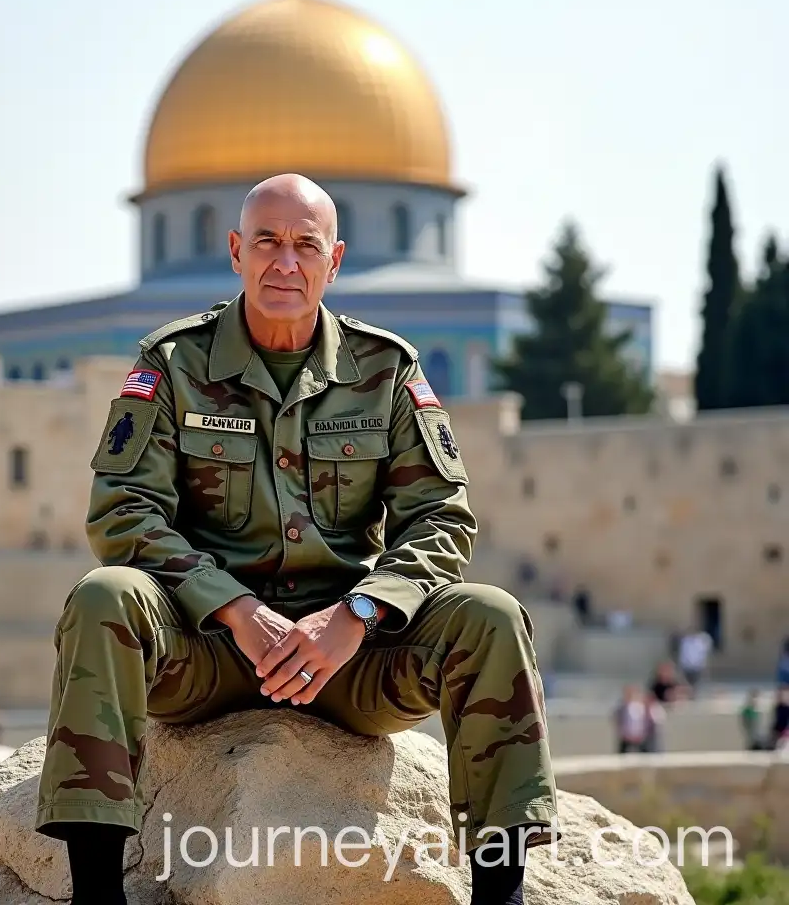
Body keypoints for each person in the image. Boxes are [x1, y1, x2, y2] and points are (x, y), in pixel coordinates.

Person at [35, 174, 558, 905]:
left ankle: (501, 893)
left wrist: (358, 616)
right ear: (234, 252)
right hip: (207, 652)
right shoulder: (173, 363)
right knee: (103, 597)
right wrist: (235, 611)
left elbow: (441, 516)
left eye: (305, 245)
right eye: (267, 243)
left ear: (335, 260)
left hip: (347, 662)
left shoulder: (385, 369)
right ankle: (98, 891)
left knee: (492, 616)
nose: (286, 263)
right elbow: (122, 508)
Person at [614, 685, 650, 753]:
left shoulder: (641, 707)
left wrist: (642, 734)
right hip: (626, 737)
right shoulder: (621, 707)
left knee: (645, 755)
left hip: (640, 737)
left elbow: (644, 722)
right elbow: (618, 721)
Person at [678, 628, 713, 695]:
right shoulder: (686, 641)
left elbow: (702, 654)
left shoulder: (699, 642)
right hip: (687, 665)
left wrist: (702, 664)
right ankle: (690, 693)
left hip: (696, 666)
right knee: (688, 681)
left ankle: (693, 693)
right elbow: (683, 653)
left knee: (695, 681)